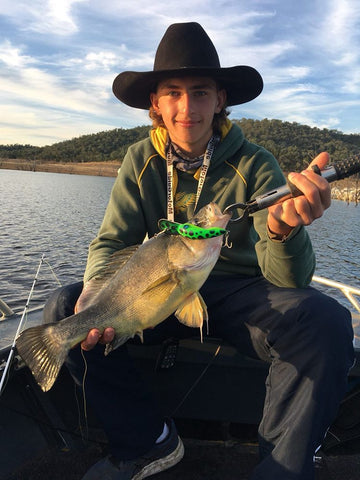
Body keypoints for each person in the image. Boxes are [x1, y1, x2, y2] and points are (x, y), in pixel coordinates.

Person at [45, 22, 354, 480]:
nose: (187, 107)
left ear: (220, 100)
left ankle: (282, 469)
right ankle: (148, 442)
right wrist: (95, 292)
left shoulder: (255, 163)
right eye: (173, 92)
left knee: (325, 320)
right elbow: (112, 240)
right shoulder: (138, 160)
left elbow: (287, 281)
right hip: (152, 291)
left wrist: (283, 231)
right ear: (155, 103)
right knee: (64, 308)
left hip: (236, 294)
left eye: (201, 92)